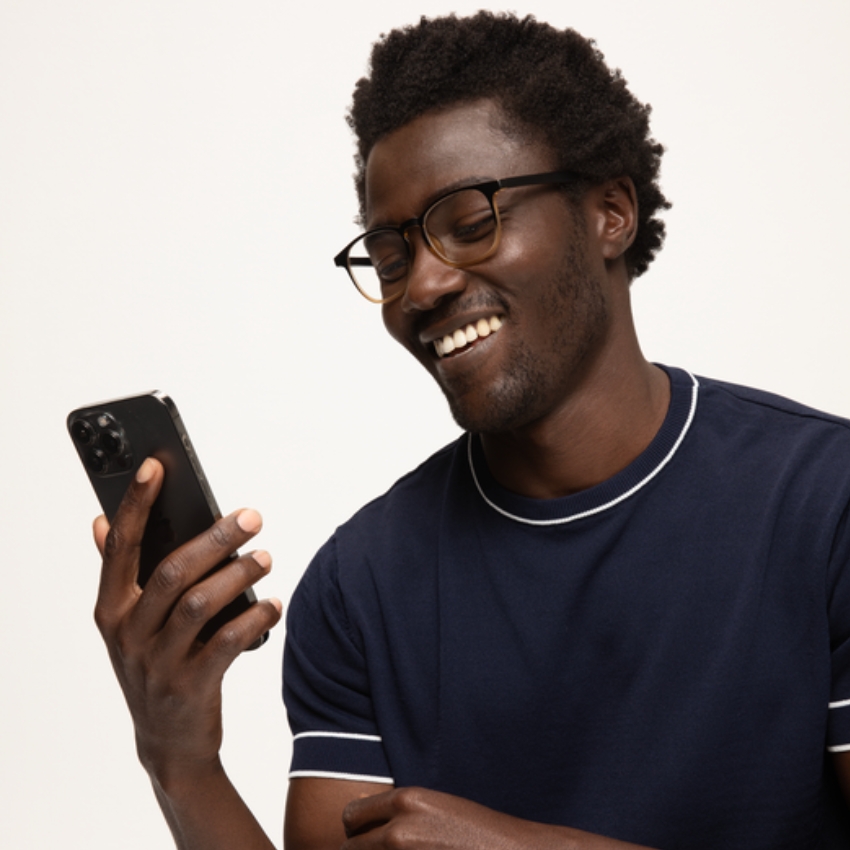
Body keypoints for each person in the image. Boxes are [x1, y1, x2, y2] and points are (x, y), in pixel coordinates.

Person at [92, 11, 850, 850]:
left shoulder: (825, 506)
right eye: (390, 256)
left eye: (471, 221)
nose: (421, 286)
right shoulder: (360, 587)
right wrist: (179, 762)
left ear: (610, 212)